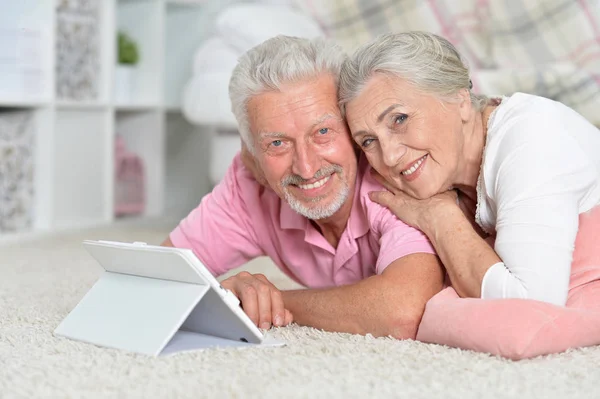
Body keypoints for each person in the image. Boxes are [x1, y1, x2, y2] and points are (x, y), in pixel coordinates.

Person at [161, 35, 445, 339]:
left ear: (352, 125)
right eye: (278, 143)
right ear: (251, 153)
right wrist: (226, 295)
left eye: (323, 131)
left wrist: (275, 301)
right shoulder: (249, 182)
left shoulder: (392, 169)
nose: (306, 168)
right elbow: (157, 276)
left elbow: (401, 311)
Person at [338, 31, 600, 359]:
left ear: (460, 100)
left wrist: (440, 217)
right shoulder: (447, 171)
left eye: (399, 119)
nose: (389, 157)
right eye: (368, 141)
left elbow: (533, 309)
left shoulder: (531, 141)